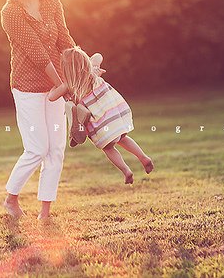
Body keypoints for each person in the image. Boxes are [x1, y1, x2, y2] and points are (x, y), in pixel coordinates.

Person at [0, 0, 75, 220]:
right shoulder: (11, 12)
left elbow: (65, 40)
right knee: (37, 148)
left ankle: (45, 212)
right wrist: (63, 84)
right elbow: (36, 52)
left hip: (56, 87)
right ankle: (11, 198)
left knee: (56, 149)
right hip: (28, 88)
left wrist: (81, 67)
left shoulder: (52, 3)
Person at [48, 46, 155, 184]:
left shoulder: (68, 85)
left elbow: (51, 97)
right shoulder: (92, 72)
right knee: (123, 138)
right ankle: (143, 157)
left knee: (108, 147)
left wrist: (55, 86)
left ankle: (126, 170)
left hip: (99, 122)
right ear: (85, 61)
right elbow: (98, 55)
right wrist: (91, 64)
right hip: (112, 113)